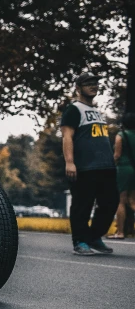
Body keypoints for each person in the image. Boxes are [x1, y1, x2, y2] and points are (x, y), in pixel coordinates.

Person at [60, 73, 118, 255]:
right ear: (78, 88)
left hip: (105, 167)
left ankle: (94, 236)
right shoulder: (74, 110)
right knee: (82, 205)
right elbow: (67, 136)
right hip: (85, 167)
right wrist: (70, 162)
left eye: (95, 83)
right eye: (88, 83)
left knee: (111, 203)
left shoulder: (97, 112)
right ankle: (80, 241)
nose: (93, 86)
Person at [108, 112, 135, 239]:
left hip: (124, 169)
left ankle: (120, 232)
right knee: (132, 201)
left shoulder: (121, 136)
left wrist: (110, 165)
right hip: (134, 169)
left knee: (121, 201)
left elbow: (117, 155)